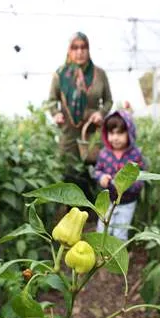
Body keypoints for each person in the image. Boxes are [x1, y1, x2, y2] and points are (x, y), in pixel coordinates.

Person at [48, 32, 113, 204]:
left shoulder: (99, 74)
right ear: (69, 51)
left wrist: (101, 113)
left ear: (89, 50)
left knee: (91, 171)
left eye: (83, 47)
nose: (79, 52)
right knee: (69, 171)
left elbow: (108, 101)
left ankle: (93, 213)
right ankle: (72, 213)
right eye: (75, 47)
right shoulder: (60, 75)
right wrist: (56, 114)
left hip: (91, 131)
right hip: (69, 131)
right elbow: (51, 101)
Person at [94, 110, 146, 241]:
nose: (115, 137)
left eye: (120, 133)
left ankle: (117, 257)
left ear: (129, 133)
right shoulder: (104, 154)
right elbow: (97, 171)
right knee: (102, 230)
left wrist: (124, 185)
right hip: (107, 201)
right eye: (111, 133)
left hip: (127, 203)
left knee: (120, 234)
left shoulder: (135, 155)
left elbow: (140, 180)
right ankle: (101, 256)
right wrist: (101, 178)